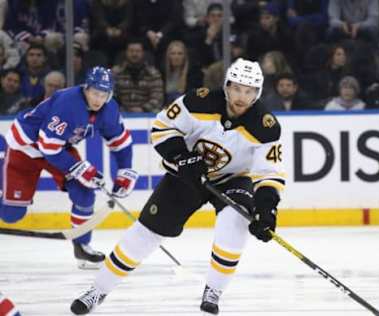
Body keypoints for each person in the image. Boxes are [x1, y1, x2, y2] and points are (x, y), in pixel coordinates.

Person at [70, 58, 286, 315]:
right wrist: (182, 157)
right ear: (227, 85)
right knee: (145, 233)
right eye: (237, 88)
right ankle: (98, 290)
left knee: (235, 223)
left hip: (233, 179)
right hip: (187, 175)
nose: (242, 97)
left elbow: (269, 173)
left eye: (249, 91)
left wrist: (266, 211)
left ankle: (214, 290)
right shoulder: (198, 101)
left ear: (257, 93)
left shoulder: (266, 126)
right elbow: (162, 128)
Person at [0, 66, 138, 270]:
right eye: (95, 93)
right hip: (26, 147)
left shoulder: (109, 109)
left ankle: (82, 247)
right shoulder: (68, 104)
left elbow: (121, 143)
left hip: (59, 148)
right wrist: (78, 167)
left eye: (104, 94)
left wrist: (125, 170)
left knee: (84, 192)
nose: (98, 99)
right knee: (11, 215)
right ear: (86, 88)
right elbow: (47, 146)